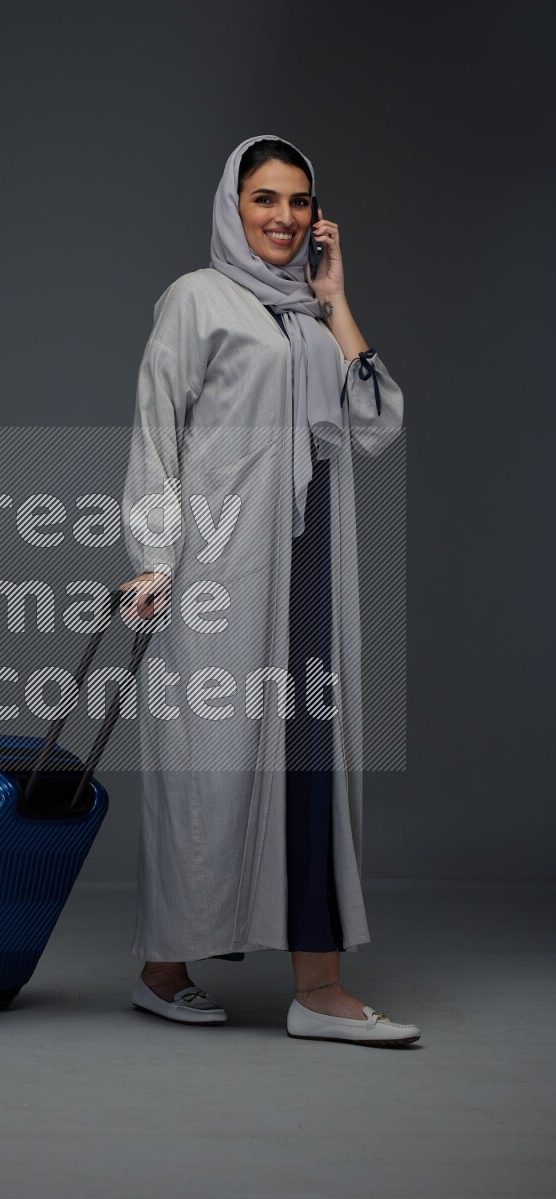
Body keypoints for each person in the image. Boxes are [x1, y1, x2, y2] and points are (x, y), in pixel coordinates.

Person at [118, 134, 420, 1046]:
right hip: (221, 570)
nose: (283, 217)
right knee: (210, 772)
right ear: (232, 205)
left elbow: (375, 425)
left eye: (298, 201)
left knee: (312, 761)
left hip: (313, 568)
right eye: (264, 199)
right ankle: (164, 968)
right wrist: (153, 556)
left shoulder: (314, 314)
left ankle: (318, 987)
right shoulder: (197, 299)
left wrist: (336, 300)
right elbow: (155, 429)